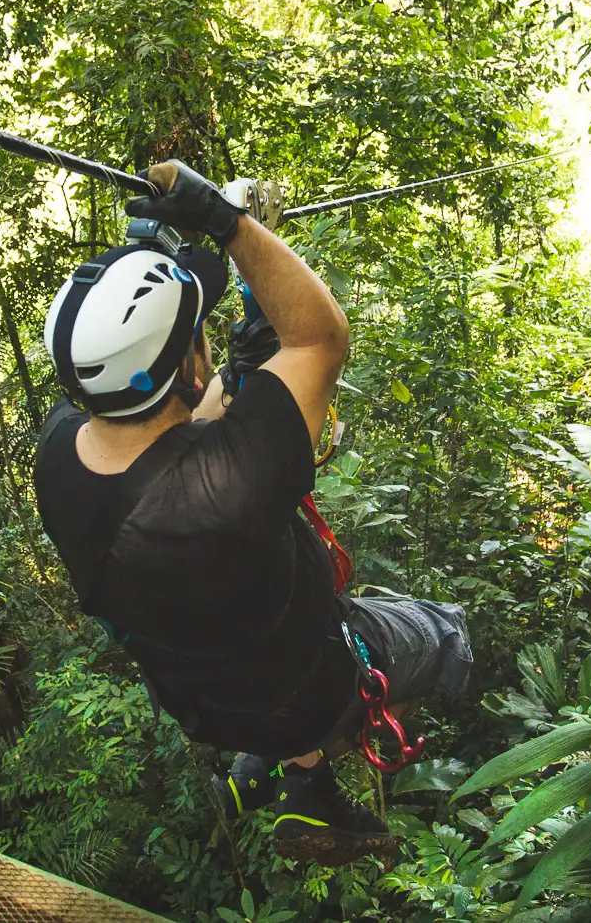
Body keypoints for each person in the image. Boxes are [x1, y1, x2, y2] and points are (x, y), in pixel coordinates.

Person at [32, 160, 472, 866]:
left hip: (202, 700)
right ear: (188, 370)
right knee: (446, 632)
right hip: (311, 684)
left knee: (252, 642)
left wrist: (213, 391)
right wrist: (228, 221)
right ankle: (305, 752)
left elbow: (166, 439)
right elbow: (319, 336)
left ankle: (284, 771)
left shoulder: (55, 460)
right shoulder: (232, 486)